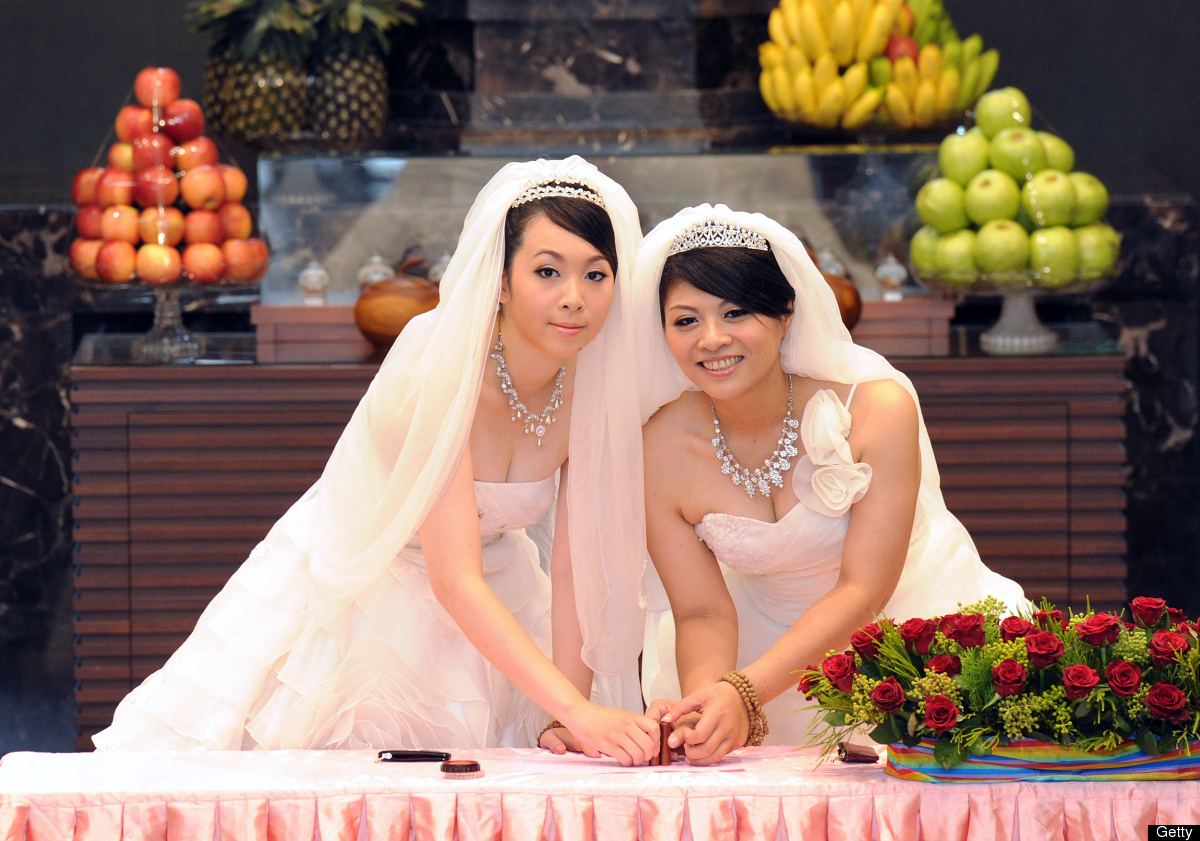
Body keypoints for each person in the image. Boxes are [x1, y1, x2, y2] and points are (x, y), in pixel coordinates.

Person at [93, 157, 659, 765]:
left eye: (596, 275)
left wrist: (564, 712)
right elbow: (454, 580)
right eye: (547, 271)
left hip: (502, 592)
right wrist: (580, 713)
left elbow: (572, 566)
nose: (574, 299)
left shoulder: (589, 385)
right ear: (500, 278)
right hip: (366, 599)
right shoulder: (440, 373)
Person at [631, 205, 1029, 764]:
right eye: (686, 320)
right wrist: (708, 700)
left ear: (786, 313)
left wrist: (746, 692)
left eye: (736, 312)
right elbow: (701, 611)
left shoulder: (875, 409)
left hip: (910, 637)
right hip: (752, 651)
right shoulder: (659, 446)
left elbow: (865, 586)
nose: (712, 339)